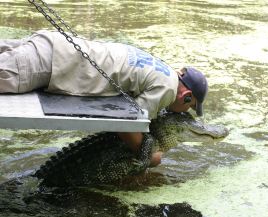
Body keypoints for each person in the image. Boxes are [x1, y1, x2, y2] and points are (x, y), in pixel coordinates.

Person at [0, 30, 209, 167]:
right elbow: (128, 124)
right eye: (190, 108)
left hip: (51, 44)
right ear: (187, 96)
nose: (184, 112)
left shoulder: (157, 66)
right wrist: (150, 157)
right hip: (47, 62)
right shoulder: (168, 89)